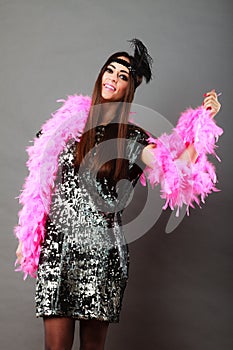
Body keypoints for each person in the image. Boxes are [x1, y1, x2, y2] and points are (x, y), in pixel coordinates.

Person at [15, 39, 222, 350]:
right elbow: (40, 180)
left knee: (92, 348)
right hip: (58, 251)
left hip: (103, 254)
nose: (113, 77)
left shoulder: (131, 137)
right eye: (109, 70)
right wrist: (25, 239)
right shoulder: (68, 124)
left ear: (130, 88)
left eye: (123, 75)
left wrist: (204, 125)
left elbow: (174, 168)